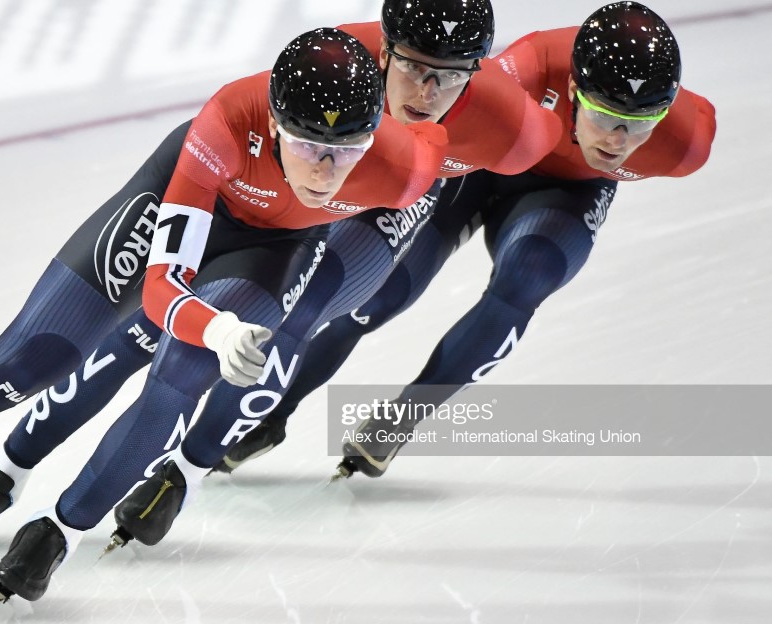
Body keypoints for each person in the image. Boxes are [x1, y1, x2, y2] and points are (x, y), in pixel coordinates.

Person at [0, 27, 447, 602]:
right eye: (307, 145)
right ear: (273, 119)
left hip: (278, 246)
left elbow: (494, 126)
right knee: (26, 360)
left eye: (345, 151)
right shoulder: (226, 124)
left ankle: (60, 529)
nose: (325, 171)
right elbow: (161, 288)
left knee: (183, 374)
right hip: (192, 197)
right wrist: (218, 324)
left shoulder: (406, 165)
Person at [0, 0, 560, 552]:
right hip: (286, 194)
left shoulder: (508, 127)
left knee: (295, 318)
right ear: (384, 49)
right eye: (413, 67)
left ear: (475, 75)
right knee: (134, 328)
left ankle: (188, 468)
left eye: (449, 78)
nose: (425, 92)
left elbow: (575, 141)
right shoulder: (333, 67)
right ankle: (11, 465)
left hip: (374, 204)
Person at [210, 1, 717, 482]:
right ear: (570, 87)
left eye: (640, 125)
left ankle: (406, 416)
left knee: (531, 272)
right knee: (374, 295)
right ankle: (269, 411)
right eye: (604, 116)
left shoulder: (685, 144)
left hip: (569, 192)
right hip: (470, 167)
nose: (617, 142)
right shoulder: (527, 71)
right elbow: (423, 125)